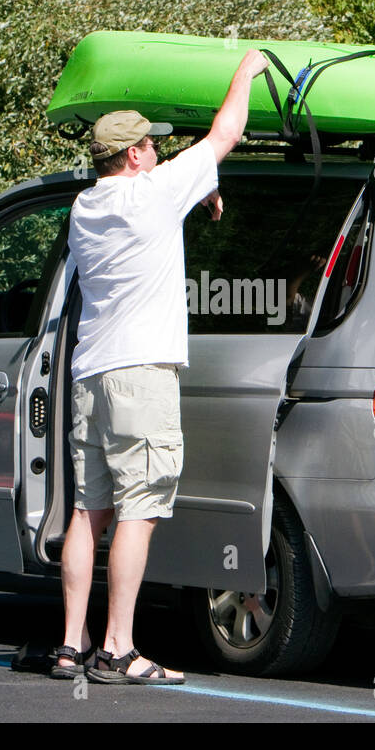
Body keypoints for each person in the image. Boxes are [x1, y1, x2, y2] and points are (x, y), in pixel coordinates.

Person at [54, 49, 271, 684]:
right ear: (133, 156)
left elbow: (163, 199)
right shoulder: (153, 193)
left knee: (86, 511)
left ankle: (71, 644)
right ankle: (119, 648)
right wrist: (247, 69)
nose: (156, 151)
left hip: (89, 373)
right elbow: (226, 132)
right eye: (150, 144)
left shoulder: (84, 210)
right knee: (137, 509)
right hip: (141, 375)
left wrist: (198, 191)